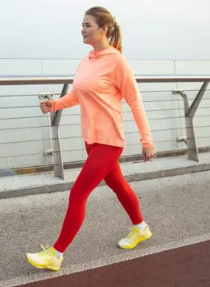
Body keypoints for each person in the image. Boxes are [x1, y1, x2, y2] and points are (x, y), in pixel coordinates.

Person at [26, 6, 156, 271]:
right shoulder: (86, 61)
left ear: (103, 29)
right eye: (82, 25)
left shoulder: (117, 62)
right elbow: (78, 94)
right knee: (118, 185)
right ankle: (141, 228)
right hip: (91, 139)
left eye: (88, 25)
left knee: (78, 193)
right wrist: (55, 104)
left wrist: (147, 140)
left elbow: (135, 102)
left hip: (110, 141)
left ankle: (56, 254)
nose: (82, 30)